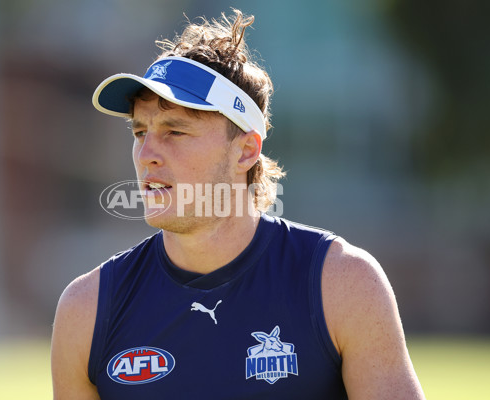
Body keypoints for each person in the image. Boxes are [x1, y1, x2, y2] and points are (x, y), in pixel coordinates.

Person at [51, 10, 426, 400]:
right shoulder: (88, 310)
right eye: (140, 131)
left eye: (175, 131)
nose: (146, 154)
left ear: (246, 150)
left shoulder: (344, 285)